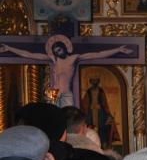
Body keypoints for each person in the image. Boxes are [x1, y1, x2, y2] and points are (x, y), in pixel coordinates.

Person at [0, 36, 132, 107]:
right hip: (53, 92)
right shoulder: (53, 59)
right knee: (52, 117)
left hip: (66, 93)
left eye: (60, 49)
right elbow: (29, 54)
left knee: (68, 117)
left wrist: (118, 49)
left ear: (64, 48)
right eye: (56, 51)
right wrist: (9, 48)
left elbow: (97, 54)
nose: (58, 52)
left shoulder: (73, 58)